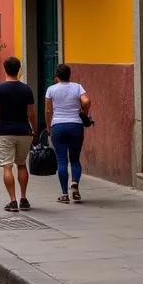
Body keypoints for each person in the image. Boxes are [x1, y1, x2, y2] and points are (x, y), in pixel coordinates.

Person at [0, 56, 36, 212]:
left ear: (4, 69)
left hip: (5, 132)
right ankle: (24, 198)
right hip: (24, 131)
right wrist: (33, 129)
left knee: (7, 166)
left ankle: (13, 201)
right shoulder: (26, 89)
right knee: (21, 164)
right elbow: (31, 113)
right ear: (19, 70)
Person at [45, 63, 92, 204]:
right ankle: (75, 184)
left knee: (61, 160)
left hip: (58, 126)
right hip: (75, 125)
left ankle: (64, 194)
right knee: (75, 159)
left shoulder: (51, 89)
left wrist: (49, 127)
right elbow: (87, 101)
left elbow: (48, 111)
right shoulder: (77, 87)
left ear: (56, 76)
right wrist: (84, 112)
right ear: (69, 75)